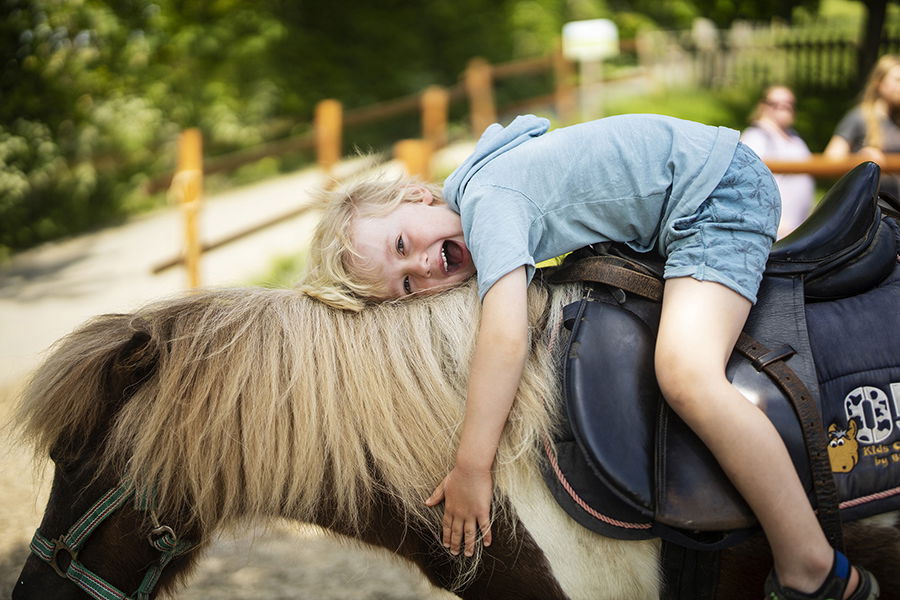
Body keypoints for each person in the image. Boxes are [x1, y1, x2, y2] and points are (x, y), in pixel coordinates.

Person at [300, 114, 879, 600]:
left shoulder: (489, 205)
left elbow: (505, 338)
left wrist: (473, 466)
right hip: (692, 188)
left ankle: (814, 566)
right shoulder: (481, 184)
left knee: (687, 374)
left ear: (417, 195)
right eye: (403, 286)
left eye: (403, 245)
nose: (421, 268)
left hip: (714, 197)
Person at [741, 85, 815, 238]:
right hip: (773, 230)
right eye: (776, 104)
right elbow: (747, 184)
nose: (784, 108)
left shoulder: (794, 137)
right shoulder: (756, 137)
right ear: (763, 106)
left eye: (789, 104)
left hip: (797, 228)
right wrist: (775, 223)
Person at [825, 54, 900, 200]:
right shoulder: (859, 117)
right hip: (872, 213)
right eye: (897, 80)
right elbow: (830, 161)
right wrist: (860, 162)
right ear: (879, 83)